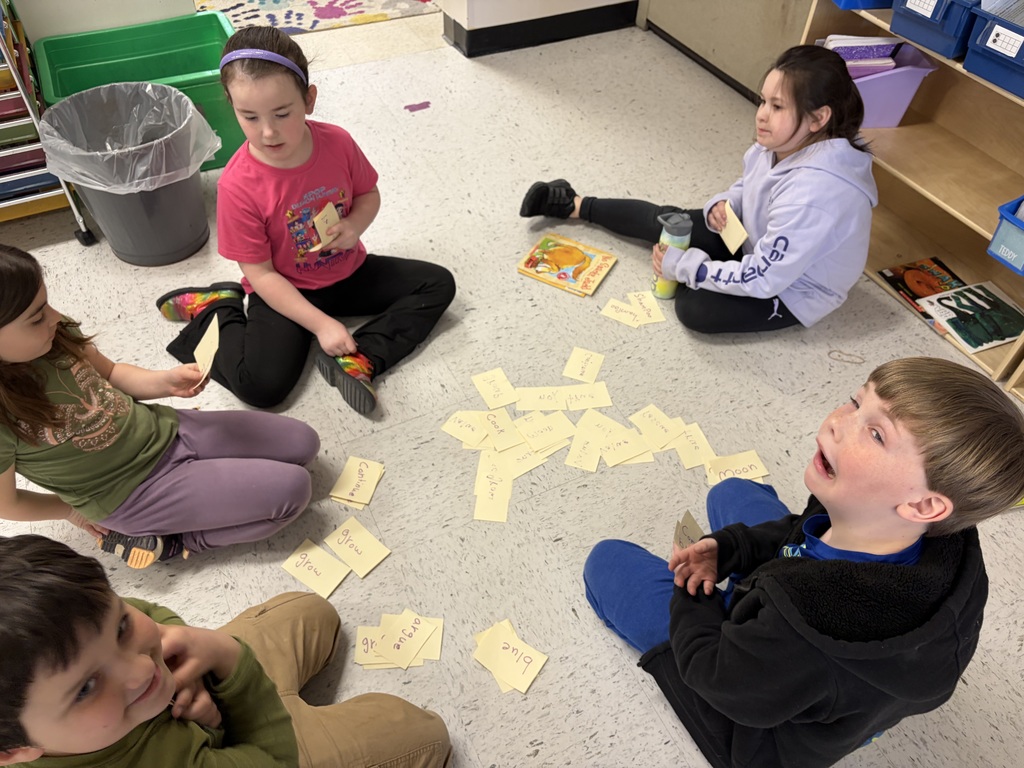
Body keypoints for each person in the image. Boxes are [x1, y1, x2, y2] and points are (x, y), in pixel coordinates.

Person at [583, 356, 1024, 768]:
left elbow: (715, 675)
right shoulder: (947, 544)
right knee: (730, 491)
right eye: (856, 400)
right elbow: (803, 528)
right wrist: (733, 548)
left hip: (753, 734)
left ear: (925, 506)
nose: (837, 422)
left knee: (607, 562)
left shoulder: (805, 634)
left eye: (875, 433)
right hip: (829, 665)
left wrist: (693, 591)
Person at [157, 26, 456, 414]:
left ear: (309, 99)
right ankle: (220, 306)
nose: (267, 132)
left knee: (437, 283)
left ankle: (361, 359)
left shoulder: (339, 143)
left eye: (283, 114)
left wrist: (355, 227)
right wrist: (320, 325)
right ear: (231, 105)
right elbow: (262, 275)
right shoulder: (237, 185)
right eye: (248, 117)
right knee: (262, 388)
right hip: (282, 289)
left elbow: (368, 194)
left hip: (348, 271)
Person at [0, 534, 452, 767]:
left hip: (205, 718)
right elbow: (275, 762)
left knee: (310, 610)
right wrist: (231, 660)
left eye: (119, 628)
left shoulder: (69, 628)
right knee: (421, 734)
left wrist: (190, 662)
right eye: (85, 688)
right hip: (263, 751)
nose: (141, 670)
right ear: (14, 751)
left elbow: (146, 612)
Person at [0, 244, 319, 569]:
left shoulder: (55, 334)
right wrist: (71, 512)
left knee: (304, 443)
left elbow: (110, 373)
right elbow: (8, 505)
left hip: (165, 430)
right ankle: (179, 542)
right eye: (37, 317)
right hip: (132, 493)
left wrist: (165, 381)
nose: (55, 318)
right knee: (294, 492)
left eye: (47, 305)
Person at [520, 45, 877, 334]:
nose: (762, 115)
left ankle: (708, 268)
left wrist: (692, 267)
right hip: (751, 242)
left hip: (792, 289)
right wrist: (724, 202)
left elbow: (766, 278)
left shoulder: (817, 194)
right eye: (763, 101)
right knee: (671, 222)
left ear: (819, 118)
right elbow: (750, 185)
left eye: (777, 106)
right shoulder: (781, 141)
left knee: (695, 309)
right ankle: (575, 204)